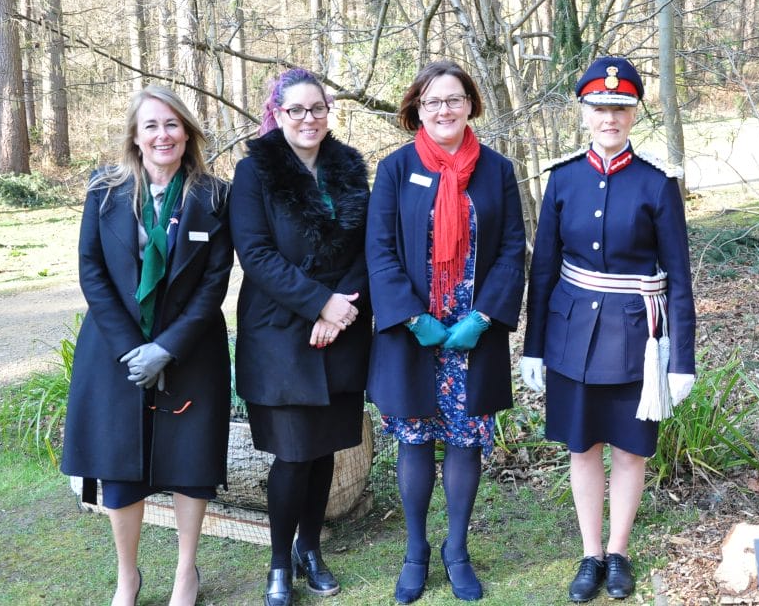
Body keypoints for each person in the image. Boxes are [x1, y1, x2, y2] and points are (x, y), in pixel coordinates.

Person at [520, 56, 697, 602]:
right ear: (584, 113)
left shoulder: (656, 185)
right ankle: (589, 552)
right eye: (599, 107)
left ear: (633, 113)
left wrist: (682, 359)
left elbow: (681, 279)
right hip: (571, 335)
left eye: (620, 108)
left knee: (629, 449)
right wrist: (532, 346)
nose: (609, 117)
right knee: (581, 446)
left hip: (634, 338)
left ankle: (618, 552)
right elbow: (543, 268)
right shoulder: (563, 179)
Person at [61, 85, 234, 606]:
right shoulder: (104, 190)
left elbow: (215, 283)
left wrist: (168, 347)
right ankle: (127, 576)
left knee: (191, 463)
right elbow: (92, 272)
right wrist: (132, 349)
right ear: (135, 136)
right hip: (115, 353)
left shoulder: (213, 196)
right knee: (120, 463)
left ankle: (186, 574)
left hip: (191, 349)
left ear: (188, 133)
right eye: (152, 126)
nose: (163, 135)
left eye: (172, 125)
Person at [366, 60, 525, 603]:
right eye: (433, 101)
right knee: (414, 438)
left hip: (472, 328)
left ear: (470, 104)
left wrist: (482, 318)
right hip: (415, 328)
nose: (444, 110)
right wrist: (414, 317)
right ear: (417, 107)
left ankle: (457, 549)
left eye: (454, 99)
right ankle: (416, 550)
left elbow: (510, 250)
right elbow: (379, 251)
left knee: (464, 440)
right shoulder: (394, 168)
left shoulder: (497, 170)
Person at [230, 68, 371, 606]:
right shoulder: (255, 173)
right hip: (279, 333)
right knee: (292, 453)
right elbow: (257, 254)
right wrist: (318, 303)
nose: (308, 119)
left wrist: (340, 310)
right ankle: (278, 561)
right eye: (296, 110)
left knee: (324, 449)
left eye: (317, 109)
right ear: (277, 114)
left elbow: (368, 246)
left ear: (328, 113)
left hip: (343, 327)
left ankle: (311, 549)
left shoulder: (349, 169)